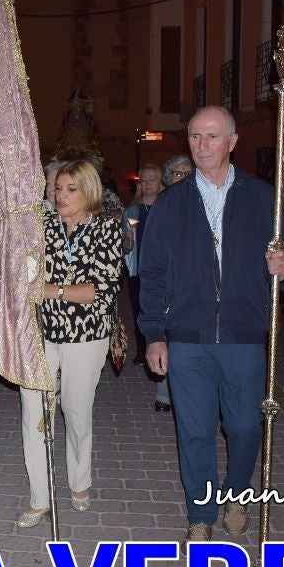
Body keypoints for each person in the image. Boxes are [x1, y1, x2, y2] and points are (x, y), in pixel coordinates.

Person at [138, 106, 284, 543]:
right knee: (195, 429)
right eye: (194, 137)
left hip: (244, 335)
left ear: (233, 142)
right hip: (188, 337)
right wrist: (154, 334)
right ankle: (201, 512)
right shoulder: (171, 204)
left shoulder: (265, 198)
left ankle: (237, 494)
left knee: (246, 427)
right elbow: (151, 275)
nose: (201, 146)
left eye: (211, 137)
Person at [17, 160, 123, 528]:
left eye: (70, 189)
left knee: (76, 412)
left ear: (89, 191)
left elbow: (102, 290)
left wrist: (51, 290)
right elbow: (20, 267)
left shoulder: (108, 229)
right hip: (39, 333)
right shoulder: (42, 226)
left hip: (86, 336)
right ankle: (39, 496)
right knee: (35, 415)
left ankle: (79, 483)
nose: (60, 195)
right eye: (57, 188)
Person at [123, 164, 168, 408]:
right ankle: (143, 348)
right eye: (145, 180)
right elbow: (126, 246)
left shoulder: (168, 206)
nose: (148, 184)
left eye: (153, 179)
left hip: (163, 271)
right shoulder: (133, 209)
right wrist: (127, 239)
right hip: (138, 268)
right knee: (140, 308)